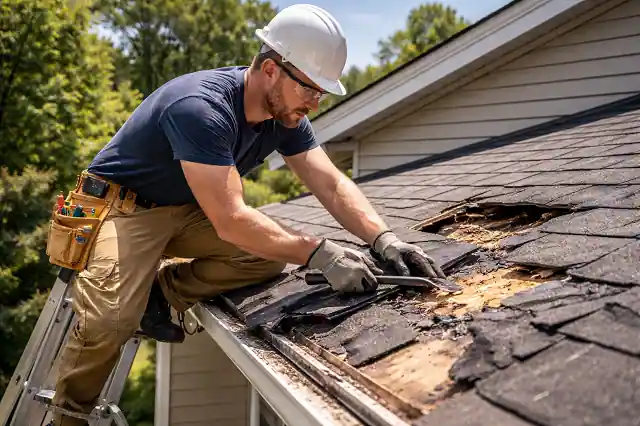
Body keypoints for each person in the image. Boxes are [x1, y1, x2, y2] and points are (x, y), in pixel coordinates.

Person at [50, 4, 446, 425]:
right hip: (122, 208)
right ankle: (68, 416)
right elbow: (231, 219)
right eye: (310, 88)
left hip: (185, 209)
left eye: (321, 93)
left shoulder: (285, 117)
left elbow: (330, 182)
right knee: (111, 320)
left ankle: (159, 295)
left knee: (268, 255)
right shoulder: (200, 107)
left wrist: (383, 239)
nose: (315, 102)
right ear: (272, 69)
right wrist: (319, 252)